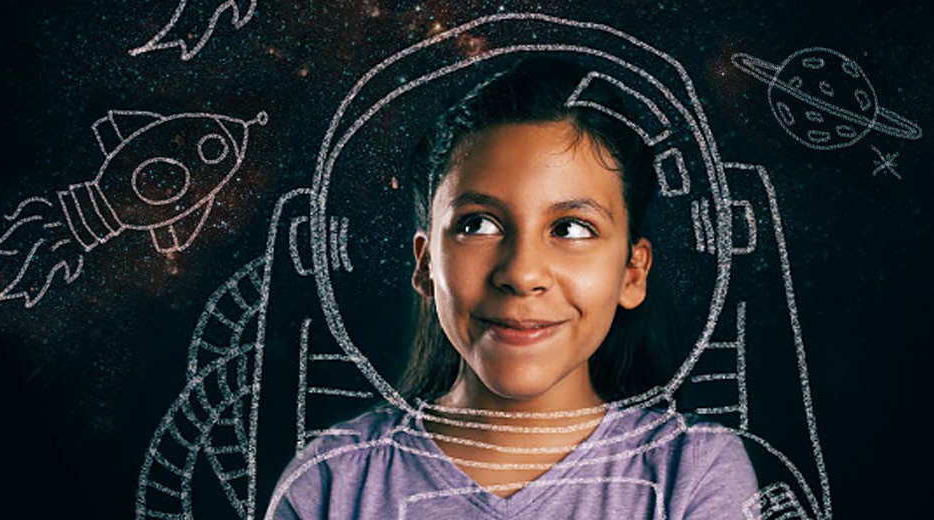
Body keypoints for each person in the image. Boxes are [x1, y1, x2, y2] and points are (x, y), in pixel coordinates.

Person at [266, 56, 758, 519]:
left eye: (571, 228)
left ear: (632, 272)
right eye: (478, 225)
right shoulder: (331, 484)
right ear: (426, 264)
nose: (522, 274)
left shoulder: (692, 473)